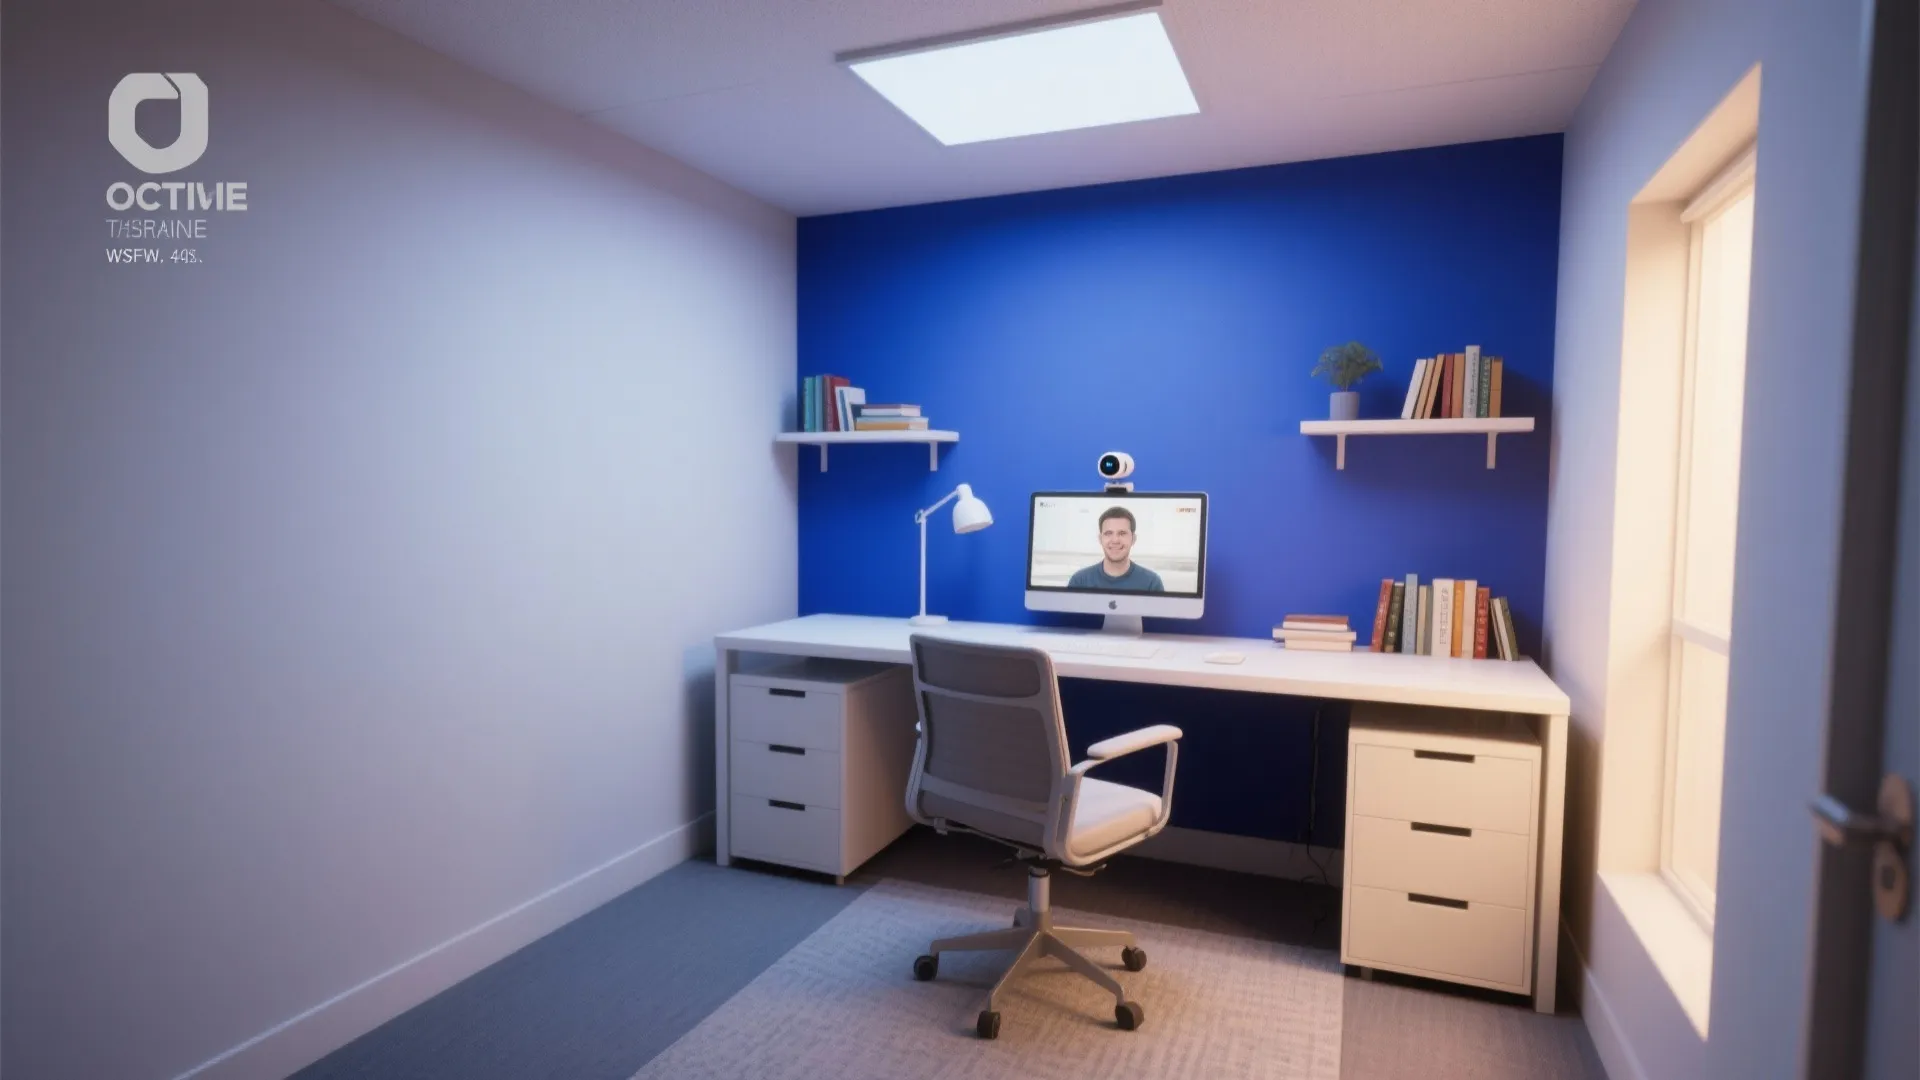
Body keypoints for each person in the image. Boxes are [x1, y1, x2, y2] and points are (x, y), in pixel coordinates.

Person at [1067, 506, 1165, 592]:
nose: (1115, 540)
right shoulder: (1080, 582)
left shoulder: (1151, 583)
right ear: (1100, 539)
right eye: (1108, 533)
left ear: (1133, 539)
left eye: (1122, 533)